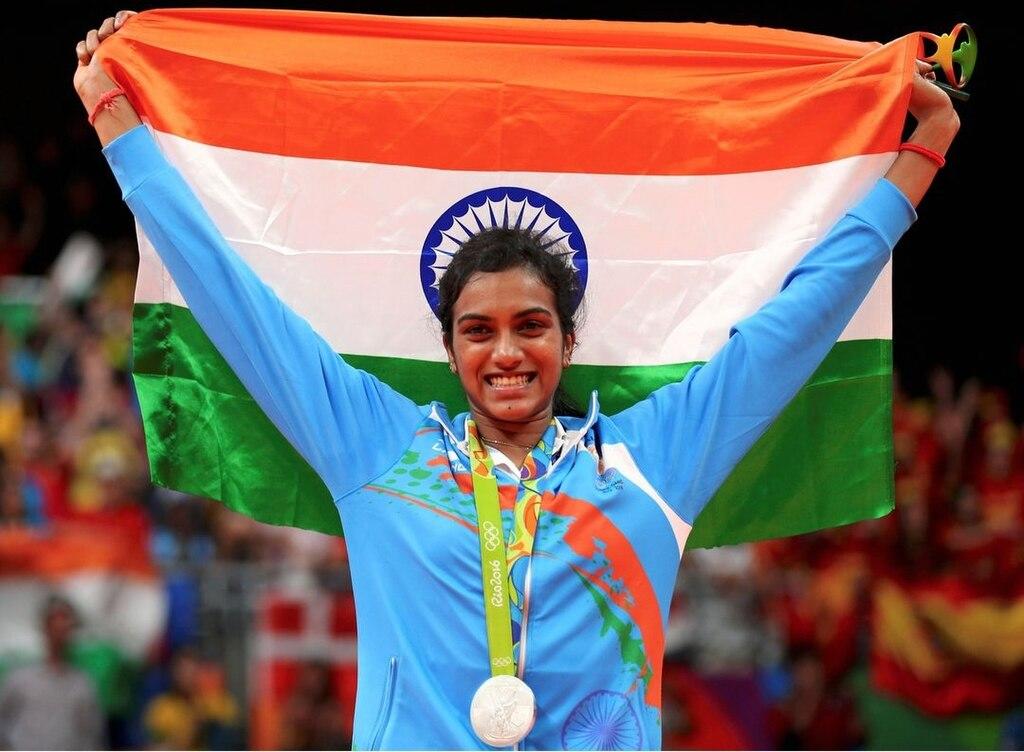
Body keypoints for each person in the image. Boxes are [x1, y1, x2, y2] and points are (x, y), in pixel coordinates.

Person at [74, 11, 959, 750]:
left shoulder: (653, 461)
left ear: (568, 342)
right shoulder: (378, 447)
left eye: (531, 326)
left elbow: (796, 324)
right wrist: (118, 122)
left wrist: (924, 154)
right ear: (450, 349)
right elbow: (236, 303)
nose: (506, 353)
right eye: (479, 331)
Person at [0, 595, 106, 750]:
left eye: (66, 624)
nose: (60, 631)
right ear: (45, 627)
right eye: (55, 623)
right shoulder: (20, 679)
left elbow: (92, 734)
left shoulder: (82, 684)